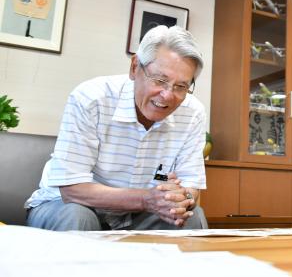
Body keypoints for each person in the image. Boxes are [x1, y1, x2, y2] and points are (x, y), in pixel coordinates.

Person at [26, 25, 208, 231]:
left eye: (181, 86)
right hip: (66, 206)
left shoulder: (193, 112)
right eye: (160, 80)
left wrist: (180, 197)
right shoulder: (91, 98)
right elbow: (71, 190)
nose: (167, 95)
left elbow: (191, 186)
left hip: (140, 216)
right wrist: (146, 199)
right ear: (135, 67)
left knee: (191, 216)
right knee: (78, 216)